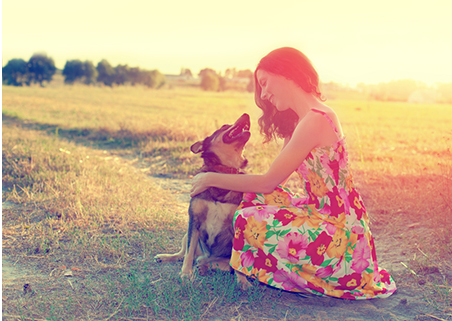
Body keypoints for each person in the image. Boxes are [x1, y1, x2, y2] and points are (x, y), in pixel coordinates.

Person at [190, 47, 397, 300]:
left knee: (247, 218)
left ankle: (236, 264)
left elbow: (268, 182)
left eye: (265, 84)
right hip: (317, 210)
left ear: (286, 74)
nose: (264, 94)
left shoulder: (317, 119)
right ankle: (231, 259)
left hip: (340, 230)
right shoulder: (302, 121)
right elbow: (274, 182)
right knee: (248, 199)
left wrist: (210, 178)